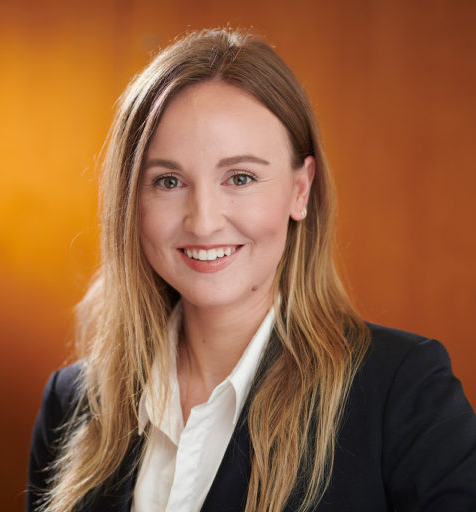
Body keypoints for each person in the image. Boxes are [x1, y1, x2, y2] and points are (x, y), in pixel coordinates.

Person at [26, 28, 476, 512]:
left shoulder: (404, 392)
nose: (203, 220)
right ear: (131, 199)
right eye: (169, 181)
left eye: (240, 177)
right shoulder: (73, 404)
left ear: (300, 190)